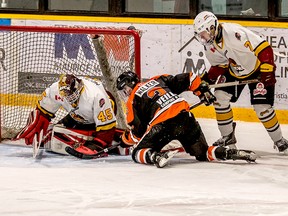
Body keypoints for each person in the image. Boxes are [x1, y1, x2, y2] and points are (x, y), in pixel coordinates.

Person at [116, 70, 257, 168]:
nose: (125, 93)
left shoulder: (132, 101)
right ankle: (229, 153)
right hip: (186, 118)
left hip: (163, 126)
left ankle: (156, 157)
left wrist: (124, 140)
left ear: (130, 86)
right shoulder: (158, 80)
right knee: (203, 153)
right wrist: (202, 92)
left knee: (137, 152)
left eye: (125, 89)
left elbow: (138, 134)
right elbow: (190, 78)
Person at [193, 11, 288, 153]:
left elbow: (263, 47)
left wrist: (267, 69)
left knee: (262, 108)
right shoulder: (209, 45)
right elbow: (219, 65)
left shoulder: (233, 33)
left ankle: (279, 140)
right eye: (200, 35)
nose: (203, 38)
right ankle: (228, 137)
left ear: (212, 27)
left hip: (256, 70)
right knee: (219, 98)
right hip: (234, 71)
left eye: (204, 34)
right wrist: (207, 81)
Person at [15, 74, 130, 157]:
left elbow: (107, 128)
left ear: (79, 88)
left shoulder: (96, 96)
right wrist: (40, 119)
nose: (69, 99)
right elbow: (42, 111)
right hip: (77, 114)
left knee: (98, 136)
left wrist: (98, 145)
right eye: (66, 96)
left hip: (104, 109)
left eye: (72, 95)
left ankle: (123, 138)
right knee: (57, 131)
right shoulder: (55, 90)